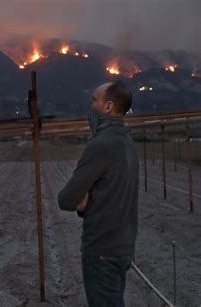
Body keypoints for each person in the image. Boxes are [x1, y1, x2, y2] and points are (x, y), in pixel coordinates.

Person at [57, 80, 139, 307]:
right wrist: (86, 208)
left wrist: (81, 204)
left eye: (95, 100)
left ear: (108, 107)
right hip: (122, 247)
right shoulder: (128, 143)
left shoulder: (101, 145)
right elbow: (113, 194)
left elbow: (66, 200)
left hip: (102, 249)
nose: (90, 105)